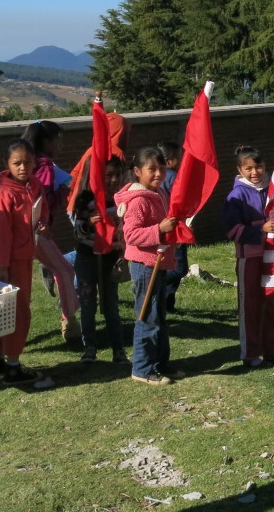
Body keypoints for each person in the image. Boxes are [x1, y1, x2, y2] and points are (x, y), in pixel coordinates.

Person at [0, 139, 53, 388]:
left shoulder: (34, 185)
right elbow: (1, 233)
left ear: (35, 162)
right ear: (7, 165)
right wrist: (3, 267)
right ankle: (13, 365)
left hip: (27, 254)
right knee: (18, 311)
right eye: (17, 163)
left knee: (8, 309)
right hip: (12, 260)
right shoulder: (4, 193)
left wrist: (44, 222)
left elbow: (42, 209)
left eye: (27, 162)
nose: (23, 167)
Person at [116, 146, 178, 386]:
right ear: (137, 171)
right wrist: (159, 230)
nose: (158, 174)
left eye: (162, 168)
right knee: (148, 316)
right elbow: (131, 235)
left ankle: (160, 363)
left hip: (159, 263)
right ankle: (142, 368)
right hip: (144, 265)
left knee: (160, 316)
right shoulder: (139, 199)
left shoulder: (159, 193)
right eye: (151, 169)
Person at [224, 145, 274, 369]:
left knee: (272, 301)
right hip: (249, 258)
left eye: (259, 167)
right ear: (239, 169)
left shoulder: (273, 189)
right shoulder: (236, 195)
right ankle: (250, 353)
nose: (255, 172)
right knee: (250, 306)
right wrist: (262, 228)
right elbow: (233, 230)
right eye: (248, 168)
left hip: (270, 257)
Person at [23, 120, 80, 344]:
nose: (60, 145)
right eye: (58, 139)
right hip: (37, 230)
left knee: (18, 283)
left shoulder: (29, 163)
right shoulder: (44, 167)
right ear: (47, 141)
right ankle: (70, 320)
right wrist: (62, 192)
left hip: (22, 230)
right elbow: (42, 198)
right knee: (65, 270)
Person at [71, 156, 127, 366]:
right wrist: (90, 222)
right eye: (107, 175)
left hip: (109, 258)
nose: (113, 180)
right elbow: (78, 232)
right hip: (87, 258)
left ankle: (118, 349)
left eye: (116, 175)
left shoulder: (121, 198)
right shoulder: (85, 199)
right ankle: (90, 348)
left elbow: (125, 229)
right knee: (87, 304)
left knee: (111, 304)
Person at [158, 140, 189, 313]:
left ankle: (167, 303)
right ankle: (155, 284)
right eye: (178, 157)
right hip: (174, 228)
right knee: (179, 268)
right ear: (169, 160)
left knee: (172, 265)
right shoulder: (172, 177)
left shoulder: (159, 177)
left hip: (164, 227)